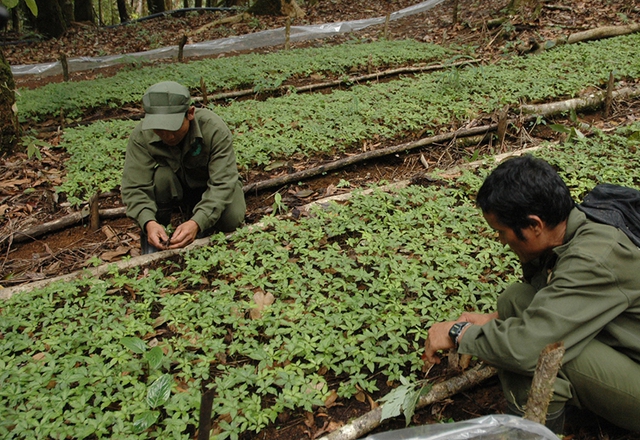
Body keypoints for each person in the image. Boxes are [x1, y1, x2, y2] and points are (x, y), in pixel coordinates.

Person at [424, 154, 640, 433]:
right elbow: (548, 296)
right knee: (514, 300)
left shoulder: (594, 257)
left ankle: (531, 434)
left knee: (531, 358)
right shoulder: (580, 225)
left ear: (535, 225)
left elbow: (526, 349)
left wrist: (459, 334)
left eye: (501, 232)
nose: (501, 241)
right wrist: (493, 320)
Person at [122, 81, 246, 253]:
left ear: (190, 113)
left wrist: (198, 221)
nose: (168, 135)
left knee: (231, 218)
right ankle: (158, 235)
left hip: (209, 185)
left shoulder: (214, 129)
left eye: (173, 127)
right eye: (160, 129)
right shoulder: (141, 136)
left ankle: (203, 224)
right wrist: (148, 222)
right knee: (161, 177)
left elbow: (223, 182)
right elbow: (134, 187)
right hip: (177, 188)